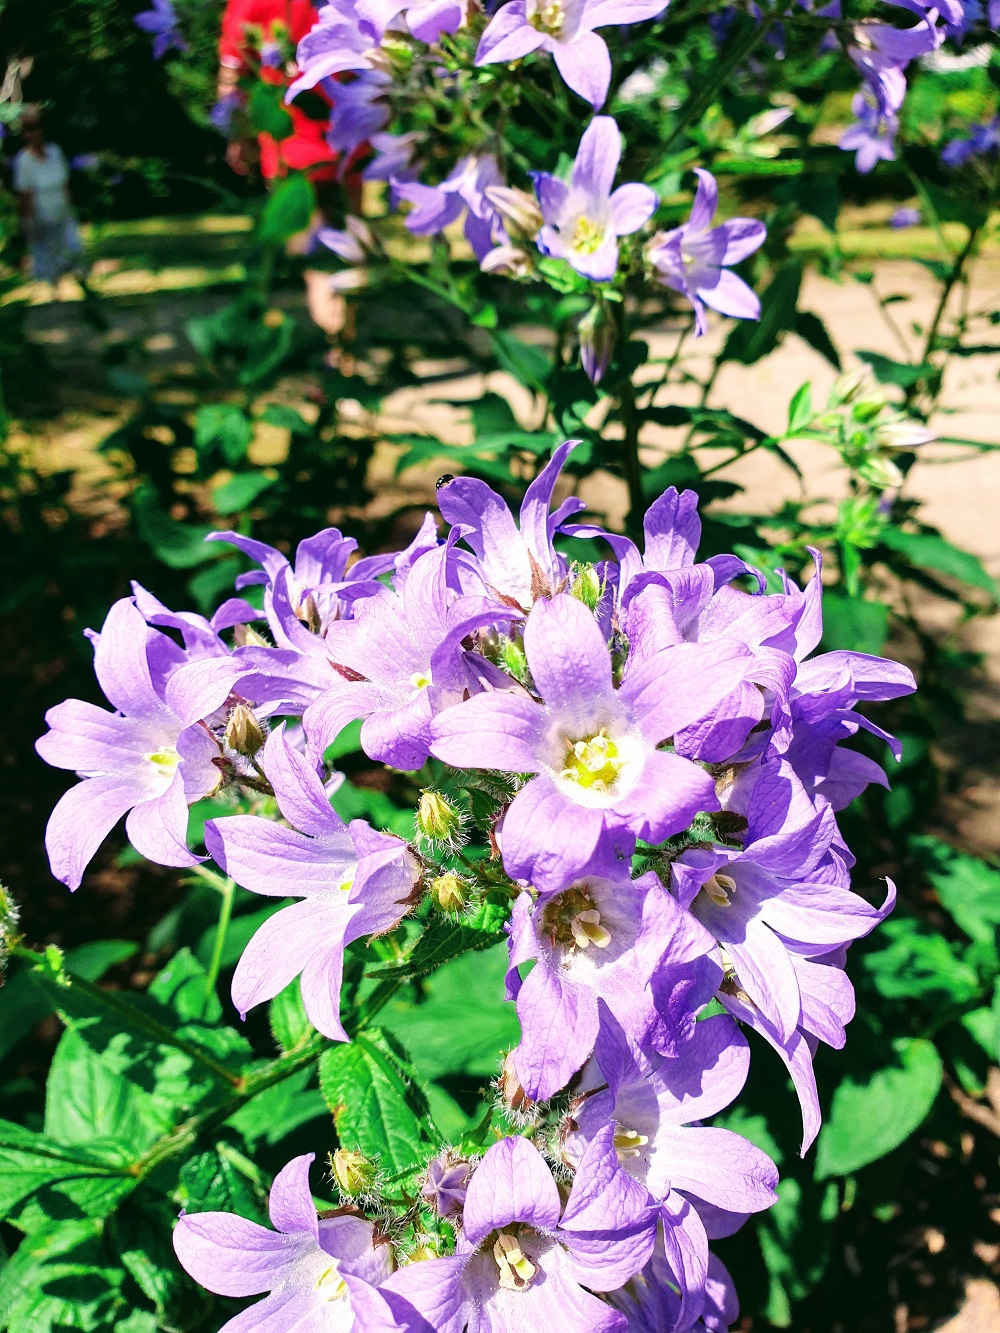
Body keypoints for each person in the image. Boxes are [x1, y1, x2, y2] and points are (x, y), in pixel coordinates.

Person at [216, 0, 362, 343]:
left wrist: (237, 136)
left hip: (309, 155)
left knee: (329, 262)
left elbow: (231, 75)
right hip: (324, 151)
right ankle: (340, 355)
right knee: (339, 259)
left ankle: (339, 356)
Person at [12, 108, 84, 292]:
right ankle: (55, 290)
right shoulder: (23, 161)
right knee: (49, 253)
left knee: (72, 248)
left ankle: (80, 282)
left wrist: (71, 206)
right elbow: (24, 195)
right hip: (42, 214)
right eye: (28, 130)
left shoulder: (54, 152)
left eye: (36, 129)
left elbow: (65, 183)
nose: (33, 134)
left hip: (62, 208)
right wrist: (27, 221)